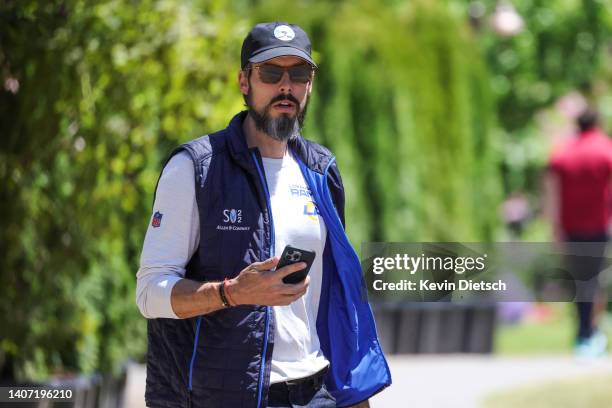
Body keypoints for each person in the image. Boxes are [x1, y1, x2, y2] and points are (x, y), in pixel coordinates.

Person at [136, 22, 391, 408]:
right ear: (244, 81)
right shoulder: (196, 169)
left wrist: (355, 396)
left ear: (310, 84)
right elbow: (149, 295)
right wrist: (232, 293)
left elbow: (335, 298)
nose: (285, 86)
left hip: (313, 392)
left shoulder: (321, 171)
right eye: (271, 73)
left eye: (299, 74)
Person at [545, 108, 612, 358]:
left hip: (570, 228)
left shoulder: (563, 153)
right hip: (598, 226)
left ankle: (585, 333)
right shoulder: (606, 149)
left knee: (579, 280)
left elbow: (552, 191)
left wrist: (554, 228)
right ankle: (588, 334)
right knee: (594, 281)